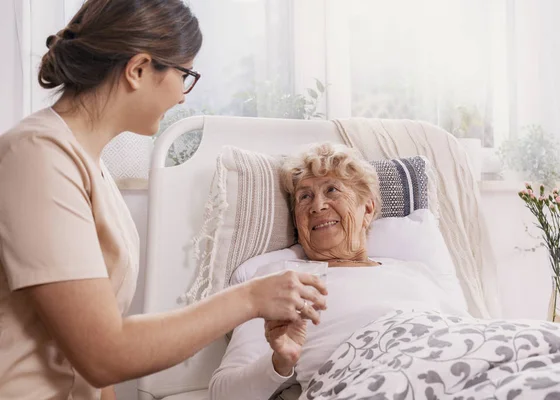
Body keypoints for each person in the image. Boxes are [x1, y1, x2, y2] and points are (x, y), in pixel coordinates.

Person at [0, 1, 326, 399]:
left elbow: (99, 369)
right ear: (138, 70)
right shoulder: (36, 156)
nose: (184, 97)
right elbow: (102, 352)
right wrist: (252, 297)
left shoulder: (91, 167)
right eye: (184, 74)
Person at [208, 143, 469, 400]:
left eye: (332, 190)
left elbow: (470, 337)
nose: (317, 206)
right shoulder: (281, 281)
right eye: (304, 197)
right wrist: (279, 362)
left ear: (367, 209)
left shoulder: (417, 272)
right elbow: (224, 394)